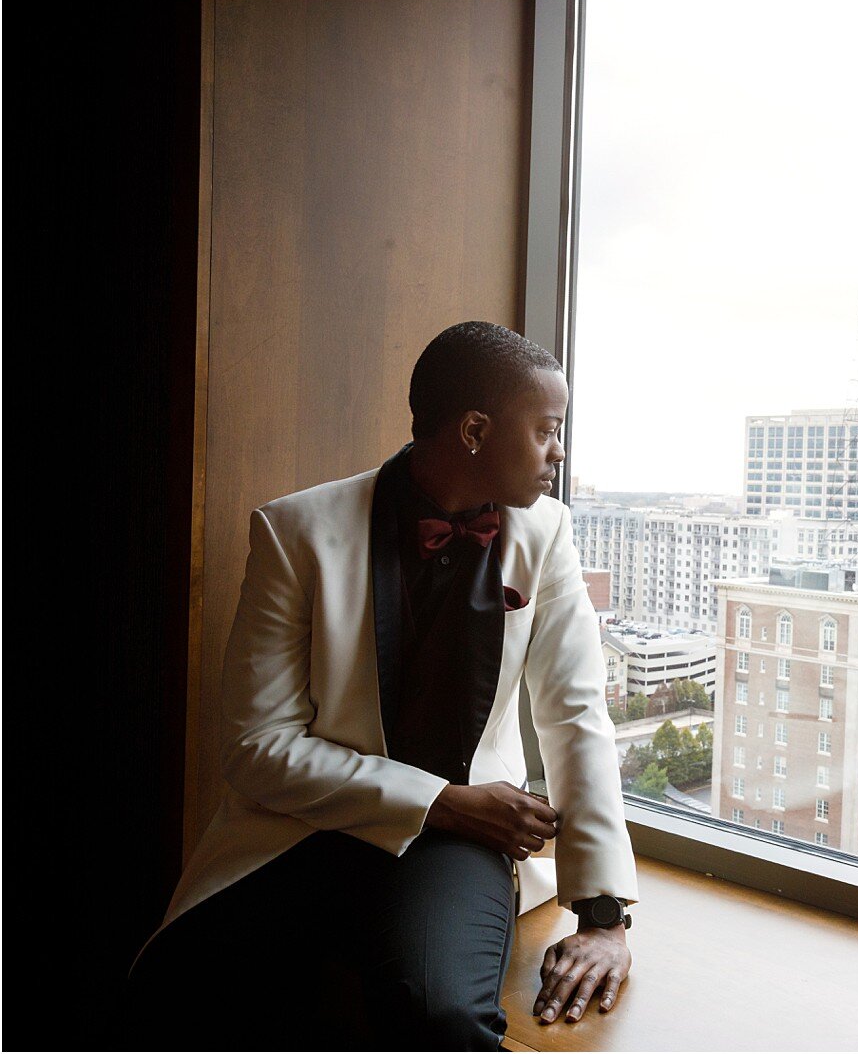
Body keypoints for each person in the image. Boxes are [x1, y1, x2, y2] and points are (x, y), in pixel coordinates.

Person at [127, 321, 638, 1049]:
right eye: (547, 429)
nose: (559, 451)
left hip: (461, 845)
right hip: (307, 827)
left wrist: (605, 917)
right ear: (473, 430)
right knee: (179, 986)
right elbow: (258, 749)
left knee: (441, 1015)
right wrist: (441, 803)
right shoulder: (294, 531)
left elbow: (577, 716)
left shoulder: (545, 533)